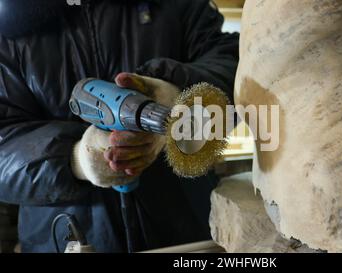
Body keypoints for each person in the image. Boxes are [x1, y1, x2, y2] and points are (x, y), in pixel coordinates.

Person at [0, 0, 239, 252]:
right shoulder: (9, 25)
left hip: (188, 235)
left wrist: (178, 93)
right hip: (64, 239)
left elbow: (239, 71)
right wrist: (76, 159)